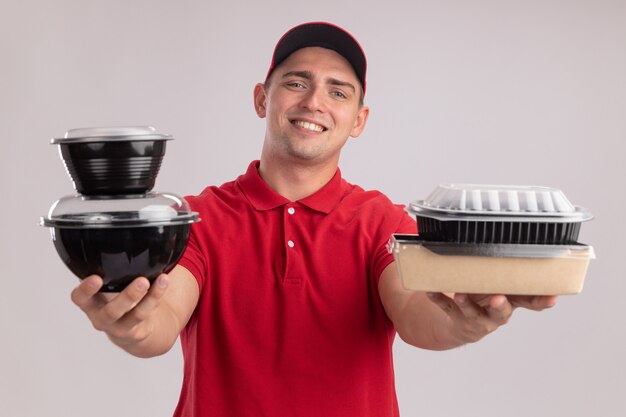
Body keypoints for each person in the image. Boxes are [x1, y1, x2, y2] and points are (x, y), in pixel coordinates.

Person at [70, 22, 558, 417]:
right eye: (296, 82)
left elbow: (417, 315)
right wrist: (132, 323)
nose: (313, 102)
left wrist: (466, 324)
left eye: (338, 92)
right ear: (263, 98)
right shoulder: (198, 218)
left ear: (359, 120)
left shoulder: (381, 222)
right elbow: (161, 317)